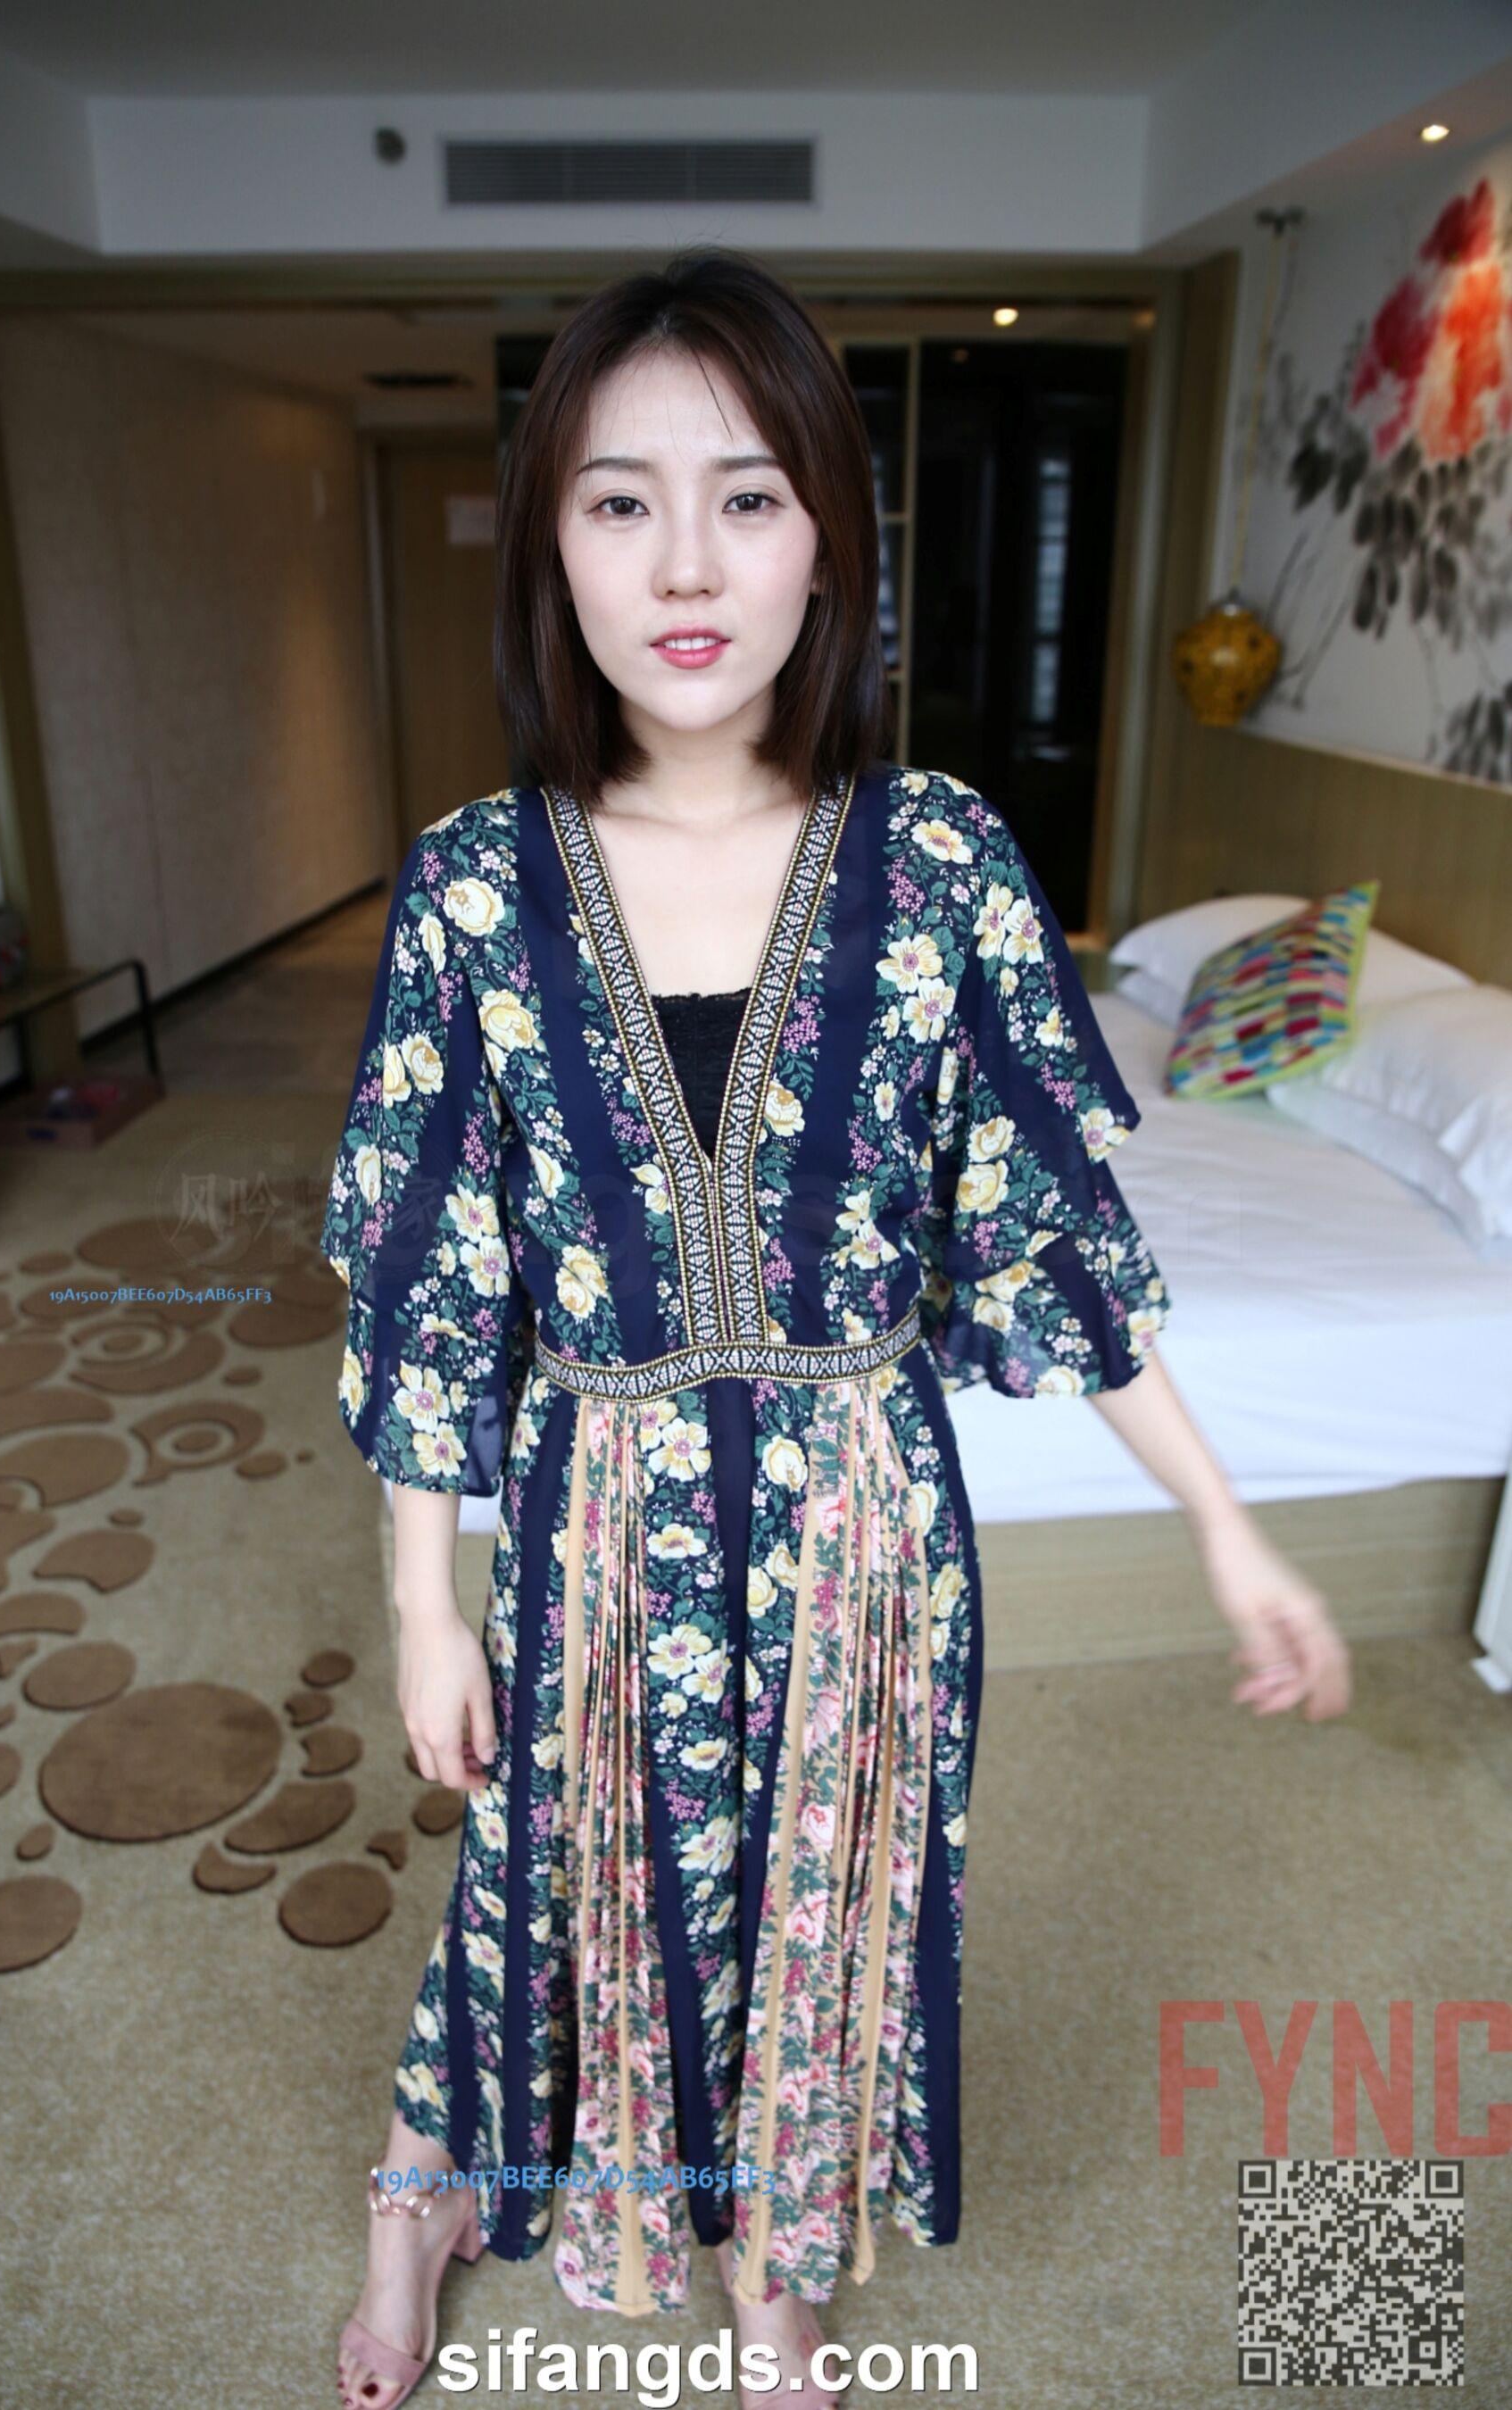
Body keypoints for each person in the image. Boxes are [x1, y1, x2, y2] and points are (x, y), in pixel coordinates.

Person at [323, 245, 1351, 2410]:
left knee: (829, 1897)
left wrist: (1228, 1525)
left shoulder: (946, 863)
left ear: (829, 544)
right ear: (553, 550)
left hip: (869, 1526)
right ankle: (422, 2188)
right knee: (548, 1884)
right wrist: (425, 1604)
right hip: (595, 1521)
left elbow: (1052, 1245)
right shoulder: (473, 887)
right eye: (621, 501)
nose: (688, 563)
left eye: (750, 495)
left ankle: (777, 2264)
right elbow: (435, 1287)